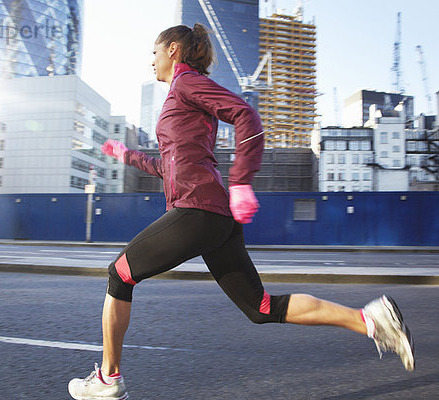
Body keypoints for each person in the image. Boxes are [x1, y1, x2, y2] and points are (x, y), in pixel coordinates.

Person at [68, 23, 414, 400]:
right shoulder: (182, 96)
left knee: (119, 273)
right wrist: (125, 155)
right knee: (260, 306)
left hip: (198, 209)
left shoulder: (186, 82)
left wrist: (242, 179)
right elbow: (166, 166)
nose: (150, 61)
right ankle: (371, 320)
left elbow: (246, 114)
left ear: (171, 50)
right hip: (215, 215)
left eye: (153, 53)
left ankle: (107, 378)